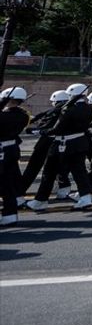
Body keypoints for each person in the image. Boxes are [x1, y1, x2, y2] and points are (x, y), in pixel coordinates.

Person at [27, 83, 92, 211]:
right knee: (79, 171)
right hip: (80, 142)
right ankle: (86, 197)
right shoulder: (91, 108)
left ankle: (41, 200)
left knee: (49, 172)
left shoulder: (68, 109)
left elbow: (57, 129)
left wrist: (41, 131)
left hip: (63, 144)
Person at [1, 87, 32, 226]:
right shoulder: (24, 115)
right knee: (7, 183)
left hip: (1, 151)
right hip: (12, 150)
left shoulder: (4, 116)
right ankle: (10, 214)